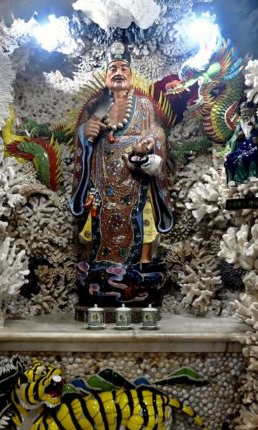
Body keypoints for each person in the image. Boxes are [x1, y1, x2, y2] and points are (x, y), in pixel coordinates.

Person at [70, 42, 173, 306]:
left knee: (142, 223)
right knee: (96, 228)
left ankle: (139, 270)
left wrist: (149, 141)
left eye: (123, 68)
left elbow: (157, 132)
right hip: (102, 181)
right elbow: (81, 137)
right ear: (105, 77)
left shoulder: (144, 105)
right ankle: (100, 271)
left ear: (131, 75)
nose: (118, 72)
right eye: (113, 68)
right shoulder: (97, 105)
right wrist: (85, 133)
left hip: (135, 179)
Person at [223, 100, 258, 184]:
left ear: (254, 110)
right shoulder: (240, 124)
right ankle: (235, 179)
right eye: (243, 112)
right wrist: (237, 137)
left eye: (247, 111)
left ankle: (252, 174)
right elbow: (233, 138)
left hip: (254, 145)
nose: (245, 113)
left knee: (251, 154)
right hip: (242, 146)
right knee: (232, 157)